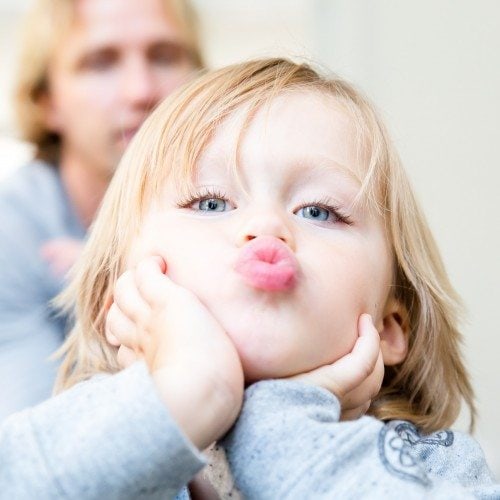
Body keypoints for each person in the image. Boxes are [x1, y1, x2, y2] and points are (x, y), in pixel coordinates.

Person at [45, 58, 498, 498]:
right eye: (210, 203)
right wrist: (188, 394)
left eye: (319, 211)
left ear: (388, 328)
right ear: (118, 298)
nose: (266, 225)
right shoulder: (77, 444)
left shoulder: (438, 470)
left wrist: (278, 429)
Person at [0, 0, 203, 419]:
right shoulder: (13, 228)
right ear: (46, 102)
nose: (142, 91)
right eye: (100, 63)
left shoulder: (244, 204)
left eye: (165, 57)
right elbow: (35, 445)